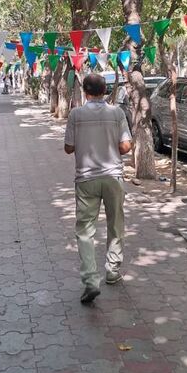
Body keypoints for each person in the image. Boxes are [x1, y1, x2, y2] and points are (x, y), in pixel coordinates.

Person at [64, 73, 132, 304]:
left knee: (85, 230)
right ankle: (112, 271)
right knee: (115, 224)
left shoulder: (76, 114)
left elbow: (68, 147)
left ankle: (91, 281)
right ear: (106, 91)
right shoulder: (117, 113)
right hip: (113, 177)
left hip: (86, 179)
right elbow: (125, 147)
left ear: (85, 91)